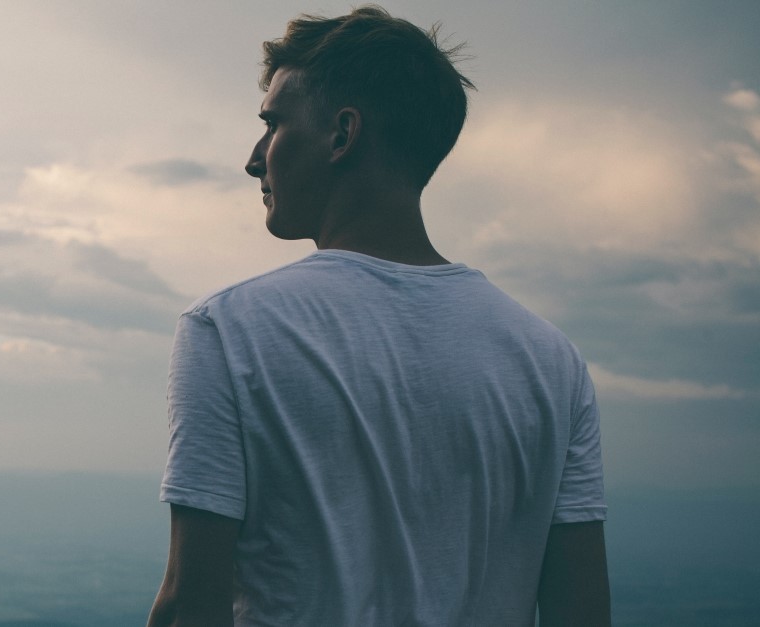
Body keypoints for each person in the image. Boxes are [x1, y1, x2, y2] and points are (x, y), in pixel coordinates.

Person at [147, 6, 609, 627]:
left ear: (342, 134)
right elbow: (580, 613)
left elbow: (190, 608)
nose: (255, 160)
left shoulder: (229, 331)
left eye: (273, 125)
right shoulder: (551, 360)